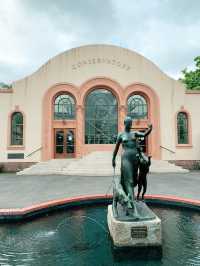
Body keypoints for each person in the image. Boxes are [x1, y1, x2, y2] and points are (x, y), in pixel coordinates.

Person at [112, 116, 152, 216]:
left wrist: (150, 128)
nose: (130, 126)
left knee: (132, 182)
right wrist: (113, 159)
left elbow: (144, 134)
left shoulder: (134, 133)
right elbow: (116, 148)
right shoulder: (121, 135)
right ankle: (134, 210)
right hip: (125, 159)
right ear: (125, 124)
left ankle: (128, 203)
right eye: (129, 124)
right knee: (129, 181)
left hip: (135, 160)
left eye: (131, 124)